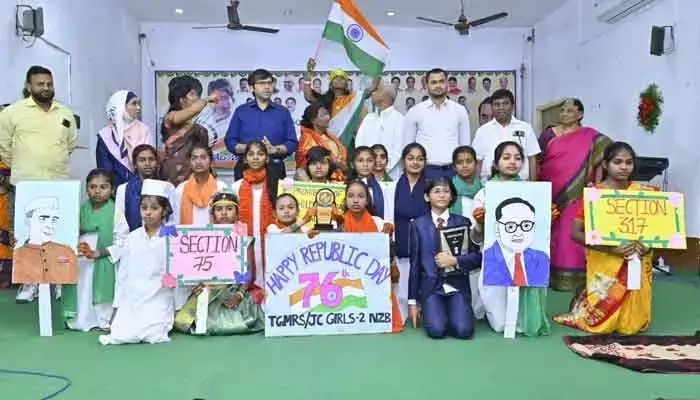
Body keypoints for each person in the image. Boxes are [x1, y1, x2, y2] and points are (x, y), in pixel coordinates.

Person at [554, 142, 654, 335]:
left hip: (637, 257)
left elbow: (656, 230)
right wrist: (611, 249)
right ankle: (586, 302)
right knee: (601, 325)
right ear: (606, 165)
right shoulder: (595, 195)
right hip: (605, 258)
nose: (624, 167)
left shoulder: (645, 194)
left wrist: (647, 246)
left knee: (632, 326)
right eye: (618, 162)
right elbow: (576, 233)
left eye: (628, 162)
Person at [0, 65, 77, 301]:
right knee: (25, 233)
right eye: (40, 84)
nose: (45, 88)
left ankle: (58, 281)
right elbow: (4, 147)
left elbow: (70, 145)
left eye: (49, 84)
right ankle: (29, 283)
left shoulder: (65, 113)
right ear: (28, 86)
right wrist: (24, 165)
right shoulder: (12, 113)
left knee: (59, 232)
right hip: (26, 184)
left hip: (58, 184)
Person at [471, 141, 550, 336]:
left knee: (522, 318)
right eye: (506, 158)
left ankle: (527, 319)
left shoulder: (533, 192)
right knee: (499, 322)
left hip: (527, 257)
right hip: (496, 259)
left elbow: (539, 231)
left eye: (517, 158)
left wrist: (548, 217)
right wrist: (480, 222)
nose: (512, 162)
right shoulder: (485, 193)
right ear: (495, 164)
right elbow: (476, 237)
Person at [538, 98, 612, 291]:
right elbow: (538, 160)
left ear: (580, 114)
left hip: (576, 193)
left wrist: (596, 185)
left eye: (570, 111)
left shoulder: (591, 136)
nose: (564, 114)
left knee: (569, 233)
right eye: (562, 110)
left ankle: (574, 278)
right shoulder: (548, 134)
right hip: (549, 189)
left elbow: (603, 154)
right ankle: (546, 275)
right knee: (549, 232)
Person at [173, 191, 264, 335]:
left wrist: (239, 294)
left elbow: (249, 272)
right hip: (210, 288)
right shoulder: (204, 238)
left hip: (234, 288)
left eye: (229, 209)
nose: (224, 213)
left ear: (237, 213)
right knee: (181, 321)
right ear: (213, 214)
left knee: (236, 323)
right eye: (219, 209)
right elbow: (198, 267)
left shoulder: (245, 239)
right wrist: (198, 284)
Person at [98, 179, 175, 345]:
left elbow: (177, 270)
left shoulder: (172, 236)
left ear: (164, 211)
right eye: (144, 208)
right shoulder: (132, 238)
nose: (148, 213)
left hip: (160, 295)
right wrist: (117, 307)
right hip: (134, 296)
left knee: (154, 334)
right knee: (123, 334)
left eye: (154, 208)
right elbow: (124, 275)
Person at [408, 177, 481, 339]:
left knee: (463, 331)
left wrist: (456, 261)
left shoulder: (463, 222)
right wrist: (412, 302)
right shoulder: (418, 225)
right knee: (437, 331)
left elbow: (477, 258)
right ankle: (436, 312)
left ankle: (454, 312)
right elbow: (415, 266)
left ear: (452, 197)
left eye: (446, 191)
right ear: (427, 197)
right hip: (431, 289)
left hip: (457, 287)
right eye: (437, 191)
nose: (442, 195)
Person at [340, 179, 402, 333]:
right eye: (351, 196)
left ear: (367, 200)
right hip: (345, 279)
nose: (355, 200)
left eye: (360, 196)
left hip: (373, 279)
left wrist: (388, 238)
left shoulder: (379, 223)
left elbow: (388, 254)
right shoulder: (337, 223)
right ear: (345, 199)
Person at [63, 169, 116, 332]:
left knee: (99, 286)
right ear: (87, 189)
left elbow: (122, 242)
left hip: (104, 256)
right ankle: (81, 319)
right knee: (83, 286)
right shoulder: (80, 210)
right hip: (81, 256)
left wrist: (100, 252)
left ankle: (103, 319)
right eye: (92, 187)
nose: (97, 191)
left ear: (112, 190)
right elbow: (70, 232)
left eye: (103, 187)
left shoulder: (116, 212)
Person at [225, 69, 298, 181]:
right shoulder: (241, 111)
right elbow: (230, 142)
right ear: (252, 88)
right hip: (246, 168)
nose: (267, 87)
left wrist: (274, 149)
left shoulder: (282, 112)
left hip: (274, 168)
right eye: (262, 83)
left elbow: (292, 143)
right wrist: (251, 150)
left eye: (269, 83)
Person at [403, 68, 470, 179]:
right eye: (434, 82)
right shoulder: (415, 111)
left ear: (447, 84)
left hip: (453, 171)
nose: (438, 85)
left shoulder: (460, 110)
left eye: (441, 81)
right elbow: (407, 147)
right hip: (424, 171)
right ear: (427, 86)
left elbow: (465, 146)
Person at [231, 142, 279, 288]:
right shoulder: (236, 187)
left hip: (271, 241)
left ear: (267, 158)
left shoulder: (277, 184)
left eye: (260, 154)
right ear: (245, 159)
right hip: (245, 243)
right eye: (251, 154)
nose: (256, 158)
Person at [12, 196, 78, 299]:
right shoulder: (19, 253)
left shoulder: (66, 251)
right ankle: (29, 284)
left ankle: (60, 284)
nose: (49, 225)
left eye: (54, 220)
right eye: (43, 219)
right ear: (29, 220)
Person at [393, 143, 430, 323]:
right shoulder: (393, 186)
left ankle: (423, 307)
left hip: (425, 241)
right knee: (401, 284)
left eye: (420, 159)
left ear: (425, 162)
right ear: (403, 161)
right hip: (401, 239)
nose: (415, 162)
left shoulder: (430, 185)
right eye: (411, 158)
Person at [471, 89, 540, 181]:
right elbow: (478, 161)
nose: (501, 107)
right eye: (497, 104)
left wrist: (533, 185)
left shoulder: (526, 128)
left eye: (505, 103)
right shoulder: (482, 131)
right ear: (492, 107)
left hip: (521, 183)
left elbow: (532, 158)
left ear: (512, 106)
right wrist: (476, 186)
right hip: (489, 183)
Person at [482, 198, 550, 287]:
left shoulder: (541, 258)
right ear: (497, 228)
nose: (518, 233)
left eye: (526, 225)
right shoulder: (487, 257)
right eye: (510, 226)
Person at [160, 75, 214, 187]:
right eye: (192, 94)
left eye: (198, 95)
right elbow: (193, 110)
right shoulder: (171, 117)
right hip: (173, 174)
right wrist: (207, 99)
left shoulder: (198, 128)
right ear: (181, 98)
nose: (197, 98)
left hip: (196, 174)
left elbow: (205, 153)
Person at [449, 145, 484, 318]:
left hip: (480, 237)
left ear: (476, 164)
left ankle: (479, 310)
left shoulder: (485, 189)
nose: (465, 165)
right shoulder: (449, 190)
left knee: (478, 276)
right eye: (460, 162)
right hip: (456, 239)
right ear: (454, 166)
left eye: (469, 161)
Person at [304, 59, 369, 149]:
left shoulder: (353, 99)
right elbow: (308, 96)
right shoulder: (324, 99)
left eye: (342, 78)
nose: (339, 79)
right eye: (336, 77)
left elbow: (370, 90)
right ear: (331, 83)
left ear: (346, 83)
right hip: (327, 140)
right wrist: (309, 72)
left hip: (347, 140)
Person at [96, 90, 152, 187]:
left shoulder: (144, 130)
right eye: (134, 104)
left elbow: (149, 162)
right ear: (121, 106)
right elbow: (104, 169)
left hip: (141, 186)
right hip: (114, 189)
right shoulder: (105, 135)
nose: (138, 107)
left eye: (139, 104)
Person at [356, 86, 404, 180]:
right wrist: (365, 166)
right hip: (366, 172)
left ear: (386, 96)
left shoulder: (399, 119)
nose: (373, 93)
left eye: (377, 91)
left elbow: (399, 149)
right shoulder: (369, 118)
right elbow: (359, 144)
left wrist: (382, 169)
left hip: (390, 175)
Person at [175, 144, 228, 225]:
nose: (198, 161)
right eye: (194, 158)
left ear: (211, 162)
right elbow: (176, 218)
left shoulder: (221, 187)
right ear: (189, 162)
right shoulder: (181, 188)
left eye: (203, 157)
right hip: (187, 233)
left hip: (216, 232)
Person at [295, 103, 347, 181]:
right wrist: (334, 163)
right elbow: (306, 163)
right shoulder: (307, 139)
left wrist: (342, 165)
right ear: (313, 120)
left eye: (328, 114)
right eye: (323, 115)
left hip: (338, 179)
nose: (328, 117)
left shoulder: (330, 136)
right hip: (319, 182)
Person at [349, 146, 384, 218]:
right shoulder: (345, 185)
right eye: (360, 160)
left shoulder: (383, 187)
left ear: (374, 163)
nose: (365, 165)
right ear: (352, 164)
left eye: (369, 160)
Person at [196, 79, 235, 144]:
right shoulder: (202, 114)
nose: (219, 102)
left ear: (232, 99)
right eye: (215, 99)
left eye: (224, 98)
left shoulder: (238, 122)